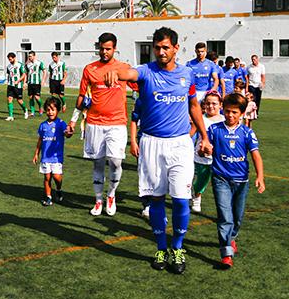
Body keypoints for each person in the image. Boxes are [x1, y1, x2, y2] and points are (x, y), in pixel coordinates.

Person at [102, 27, 212, 274]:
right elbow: (127, 72)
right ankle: (161, 248)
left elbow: (194, 106)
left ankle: (178, 248)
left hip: (181, 144)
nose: (161, 52)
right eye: (157, 47)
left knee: (182, 201)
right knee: (157, 199)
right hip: (151, 143)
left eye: (165, 47)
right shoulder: (145, 71)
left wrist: (204, 137)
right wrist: (114, 73)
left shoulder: (188, 75)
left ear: (175, 48)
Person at [68, 33, 130, 217]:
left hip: (117, 123)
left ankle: (111, 195)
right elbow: (82, 97)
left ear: (115, 48)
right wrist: (73, 120)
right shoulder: (89, 69)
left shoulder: (124, 69)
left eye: (108, 49)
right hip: (94, 123)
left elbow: (141, 85)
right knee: (98, 163)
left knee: (116, 161)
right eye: (102, 48)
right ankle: (98, 200)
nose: (104, 52)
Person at [208, 93, 264, 269]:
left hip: (241, 181)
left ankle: (231, 238)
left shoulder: (247, 132)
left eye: (234, 112)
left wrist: (260, 177)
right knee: (225, 216)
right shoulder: (214, 130)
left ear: (241, 114)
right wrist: (204, 151)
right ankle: (226, 254)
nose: (230, 115)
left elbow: (255, 155)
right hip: (220, 179)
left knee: (237, 217)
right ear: (223, 111)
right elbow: (205, 148)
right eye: (227, 111)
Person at [33, 97, 73, 206]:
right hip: (45, 157)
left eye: (53, 109)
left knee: (56, 176)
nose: (50, 112)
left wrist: (69, 132)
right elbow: (40, 140)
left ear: (58, 110)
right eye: (48, 109)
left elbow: (67, 134)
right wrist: (36, 153)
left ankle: (59, 189)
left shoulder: (61, 123)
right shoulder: (43, 125)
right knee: (47, 177)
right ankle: (48, 196)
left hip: (56, 157)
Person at [190, 91, 224, 213]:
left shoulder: (225, 120)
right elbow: (190, 134)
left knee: (220, 184)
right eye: (208, 103)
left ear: (220, 105)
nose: (211, 106)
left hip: (220, 159)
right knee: (202, 180)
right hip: (202, 157)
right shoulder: (201, 119)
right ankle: (196, 198)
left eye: (214, 103)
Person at [129, 97, 150, 219]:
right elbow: (134, 120)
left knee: (160, 175)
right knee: (145, 174)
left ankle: (157, 206)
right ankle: (147, 204)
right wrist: (133, 141)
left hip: (164, 141)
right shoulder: (141, 99)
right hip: (144, 140)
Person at [5, 52, 28, 121]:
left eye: (11, 59)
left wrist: (21, 82)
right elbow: (9, 75)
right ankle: (11, 116)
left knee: (19, 100)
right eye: (9, 59)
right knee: (9, 99)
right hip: (10, 85)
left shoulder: (20, 65)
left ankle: (25, 110)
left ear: (14, 58)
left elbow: (24, 74)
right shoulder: (9, 66)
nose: (10, 60)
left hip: (18, 86)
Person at [25, 51, 46, 116]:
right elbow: (25, 73)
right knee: (31, 97)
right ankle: (32, 112)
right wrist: (25, 82)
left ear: (34, 56)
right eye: (29, 56)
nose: (29, 57)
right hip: (30, 83)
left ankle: (41, 107)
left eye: (30, 56)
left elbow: (45, 71)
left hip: (37, 83)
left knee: (37, 97)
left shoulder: (39, 63)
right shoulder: (27, 64)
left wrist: (43, 80)